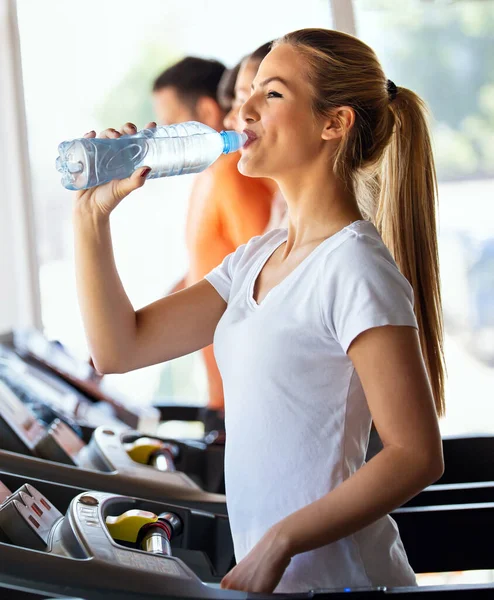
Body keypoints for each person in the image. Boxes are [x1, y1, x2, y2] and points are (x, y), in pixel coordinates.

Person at [74, 27, 445, 593]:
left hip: (346, 582)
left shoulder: (355, 267)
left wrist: (281, 539)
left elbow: (416, 455)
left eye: (270, 94)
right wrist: (91, 217)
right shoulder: (256, 257)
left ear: (334, 123)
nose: (240, 108)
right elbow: (119, 348)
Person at [152, 57, 273, 410]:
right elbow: (206, 274)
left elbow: (268, 283)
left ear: (206, 111)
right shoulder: (209, 178)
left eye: (170, 122)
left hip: (250, 398)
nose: (162, 135)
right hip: (226, 398)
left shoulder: (232, 177)